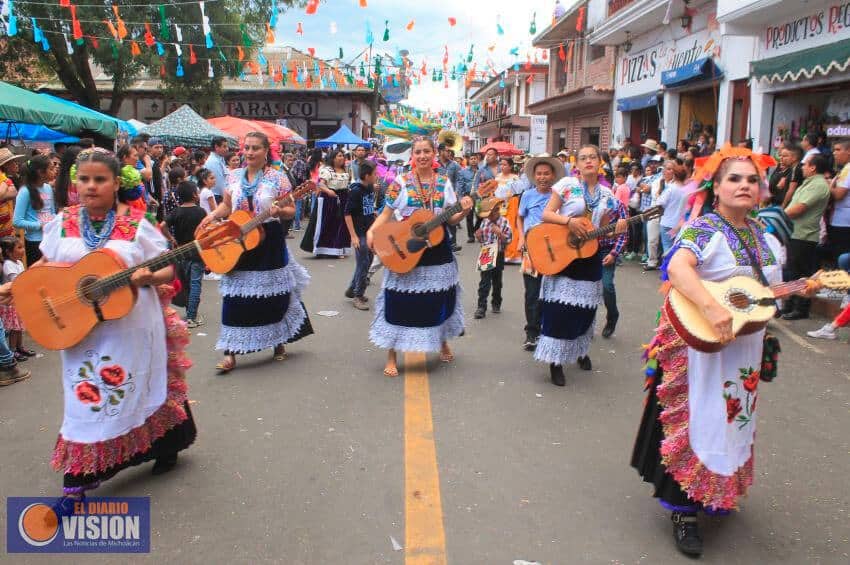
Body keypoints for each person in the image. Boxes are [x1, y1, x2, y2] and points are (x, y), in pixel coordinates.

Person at [631, 145, 818, 557]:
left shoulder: (765, 237)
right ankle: (683, 510)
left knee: (734, 418)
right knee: (700, 420)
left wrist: (803, 288)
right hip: (701, 349)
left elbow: (762, 295)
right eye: (734, 178)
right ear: (715, 186)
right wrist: (713, 307)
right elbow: (678, 269)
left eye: (752, 179)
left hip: (744, 348)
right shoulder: (704, 229)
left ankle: (715, 488)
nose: (744, 185)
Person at [20, 147, 196, 507]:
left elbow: (166, 269)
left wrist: (149, 276)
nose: (90, 186)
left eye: (100, 179)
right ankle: (77, 482)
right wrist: (18, 287)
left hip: (131, 326)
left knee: (140, 388)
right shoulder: (62, 222)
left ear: (116, 182)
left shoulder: (136, 224)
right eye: (84, 179)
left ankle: (166, 445)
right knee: (86, 399)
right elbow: (46, 266)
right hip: (77, 329)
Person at [199, 131, 313, 372]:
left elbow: (292, 210)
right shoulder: (233, 176)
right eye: (247, 148)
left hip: (269, 241)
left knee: (273, 296)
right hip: (236, 239)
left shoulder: (278, 178)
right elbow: (227, 206)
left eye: (255, 148)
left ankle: (278, 341)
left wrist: (279, 212)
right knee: (234, 297)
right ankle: (230, 352)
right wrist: (211, 216)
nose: (249, 153)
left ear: (266, 152)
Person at [367, 137, 473, 377]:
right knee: (398, 300)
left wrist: (464, 210)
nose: (423, 156)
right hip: (406, 248)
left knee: (440, 298)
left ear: (434, 153)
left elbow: (452, 219)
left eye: (427, 151)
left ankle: (442, 340)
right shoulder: (400, 183)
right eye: (418, 152)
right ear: (412, 156)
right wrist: (371, 231)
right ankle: (392, 354)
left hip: (438, 248)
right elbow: (386, 214)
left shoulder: (444, 182)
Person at [536, 145, 627, 386]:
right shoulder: (566, 185)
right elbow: (546, 214)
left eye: (592, 157)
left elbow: (603, 234)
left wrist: (616, 229)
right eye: (583, 158)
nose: (588, 161)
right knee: (559, 311)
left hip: (589, 257)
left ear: (600, 162)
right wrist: (569, 221)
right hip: (563, 254)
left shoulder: (609, 195)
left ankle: (579, 350)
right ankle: (555, 362)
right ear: (576, 163)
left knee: (585, 310)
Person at [516, 154, 564, 350]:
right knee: (532, 292)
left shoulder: (558, 196)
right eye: (539, 174)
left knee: (552, 290)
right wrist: (520, 237)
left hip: (554, 250)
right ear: (534, 176)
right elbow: (519, 218)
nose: (542, 177)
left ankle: (550, 329)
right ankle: (532, 332)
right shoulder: (527, 195)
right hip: (530, 250)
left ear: (553, 176)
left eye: (546, 173)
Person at [782, 154, 831, 320]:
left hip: (804, 235)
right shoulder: (809, 183)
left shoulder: (818, 185)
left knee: (801, 273)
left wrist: (778, 216)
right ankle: (789, 304)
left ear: (813, 167)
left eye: (805, 165)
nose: (802, 167)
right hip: (795, 232)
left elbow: (799, 208)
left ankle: (800, 308)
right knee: (791, 271)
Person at [165, 181, 208, 328]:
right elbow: (207, 232)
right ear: (195, 195)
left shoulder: (176, 212)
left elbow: (163, 225)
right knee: (195, 283)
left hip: (181, 254)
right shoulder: (201, 212)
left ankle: (190, 313)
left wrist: (171, 239)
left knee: (187, 283)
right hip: (197, 253)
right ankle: (191, 316)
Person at [301, 149, 352, 257]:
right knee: (328, 224)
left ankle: (338, 249)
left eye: (343, 156)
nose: (342, 158)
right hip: (329, 200)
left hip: (342, 199)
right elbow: (321, 184)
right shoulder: (327, 170)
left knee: (342, 225)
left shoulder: (345, 170)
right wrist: (329, 191)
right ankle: (324, 249)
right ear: (333, 158)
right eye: (339, 155)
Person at [344, 161, 377, 311]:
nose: (377, 177)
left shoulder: (369, 188)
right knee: (363, 263)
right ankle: (358, 295)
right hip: (359, 233)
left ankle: (352, 288)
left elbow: (368, 206)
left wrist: (374, 215)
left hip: (369, 230)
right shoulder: (356, 191)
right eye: (374, 174)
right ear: (366, 175)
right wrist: (353, 236)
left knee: (368, 261)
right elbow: (347, 214)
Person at [474, 196, 512, 319]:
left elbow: (508, 240)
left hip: (499, 253)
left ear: (497, 210)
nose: (489, 217)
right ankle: (481, 307)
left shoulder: (504, 222)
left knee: (497, 281)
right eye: (487, 214)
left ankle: (496, 302)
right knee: (484, 281)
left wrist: (500, 234)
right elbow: (482, 239)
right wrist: (478, 236)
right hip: (486, 252)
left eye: (491, 214)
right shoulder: (485, 222)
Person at [13, 155, 55, 266]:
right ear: (41, 172)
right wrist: (40, 225)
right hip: (35, 241)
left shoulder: (48, 188)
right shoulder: (25, 191)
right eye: (51, 168)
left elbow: (51, 212)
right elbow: (17, 221)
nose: (55, 170)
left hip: (50, 237)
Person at [0, 236, 32, 361]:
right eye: (19, 247)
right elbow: (16, 282)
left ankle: (20, 347)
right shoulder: (8, 265)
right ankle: (13, 350)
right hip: (11, 304)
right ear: (8, 252)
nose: (23, 250)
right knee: (14, 328)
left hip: (19, 300)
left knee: (19, 327)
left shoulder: (18, 262)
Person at [657, 161, 690, 254]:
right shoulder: (688, 190)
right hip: (680, 224)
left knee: (667, 247)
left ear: (675, 175)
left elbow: (660, 202)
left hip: (667, 222)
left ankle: (667, 267)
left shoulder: (671, 188)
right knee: (676, 249)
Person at [826, 140, 850, 265]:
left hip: (843, 222)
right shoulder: (844, 169)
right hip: (841, 220)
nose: (834, 153)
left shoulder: (848, 169)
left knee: (841, 261)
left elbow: (839, 195)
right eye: (834, 150)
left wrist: (829, 186)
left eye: (838, 150)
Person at [0, 148, 23, 238]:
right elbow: (8, 193)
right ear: (6, 165)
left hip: (6, 230)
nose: (16, 164)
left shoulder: (6, 178)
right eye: (13, 161)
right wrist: (7, 182)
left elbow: (13, 192)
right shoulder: (3, 177)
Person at [116, 145, 147, 212]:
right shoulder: (125, 173)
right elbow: (134, 195)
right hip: (130, 212)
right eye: (135, 155)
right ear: (125, 158)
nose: (137, 159)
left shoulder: (130, 171)